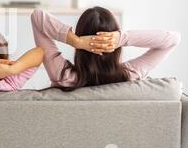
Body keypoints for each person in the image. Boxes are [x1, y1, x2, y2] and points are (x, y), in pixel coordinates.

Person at [13, 6, 180, 91]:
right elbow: (173, 39)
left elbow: (37, 16)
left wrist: (76, 41)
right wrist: (121, 37)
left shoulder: (63, 75)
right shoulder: (131, 76)